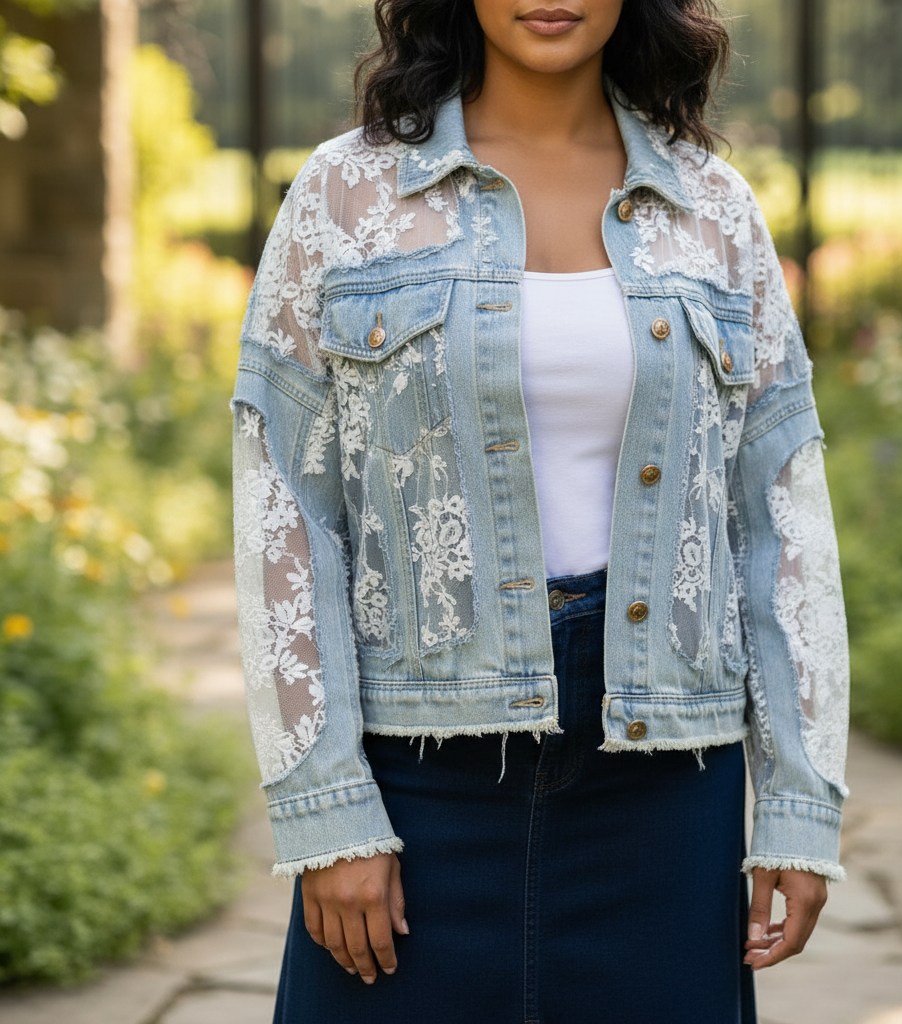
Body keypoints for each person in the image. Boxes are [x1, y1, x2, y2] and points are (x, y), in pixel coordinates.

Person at [231, 1, 851, 1020]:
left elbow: (778, 517)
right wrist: (328, 811)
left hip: (663, 781)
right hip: (417, 775)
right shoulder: (344, 195)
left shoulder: (714, 209)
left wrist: (795, 808)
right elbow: (287, 513)